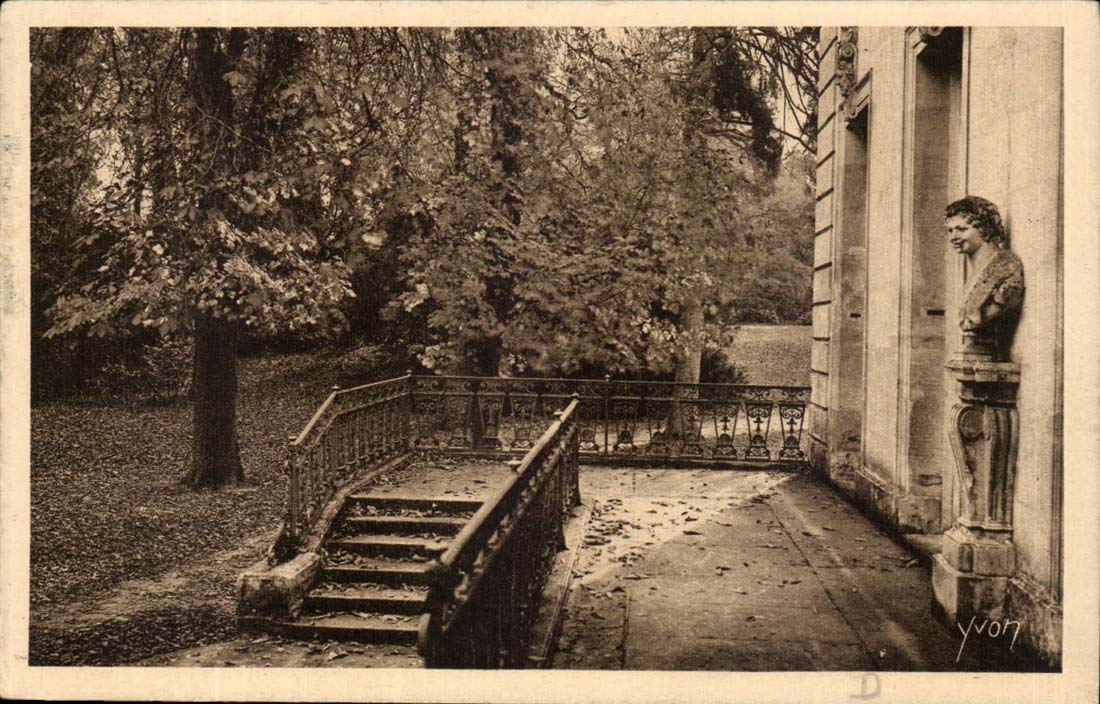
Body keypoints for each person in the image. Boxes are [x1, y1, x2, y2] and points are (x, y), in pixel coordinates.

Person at [945, 195, 1024, 361]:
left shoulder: (1006, 267)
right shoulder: (973, 274)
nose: (953, 237)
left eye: (962, 229)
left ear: (984, 229)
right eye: (950, 230)